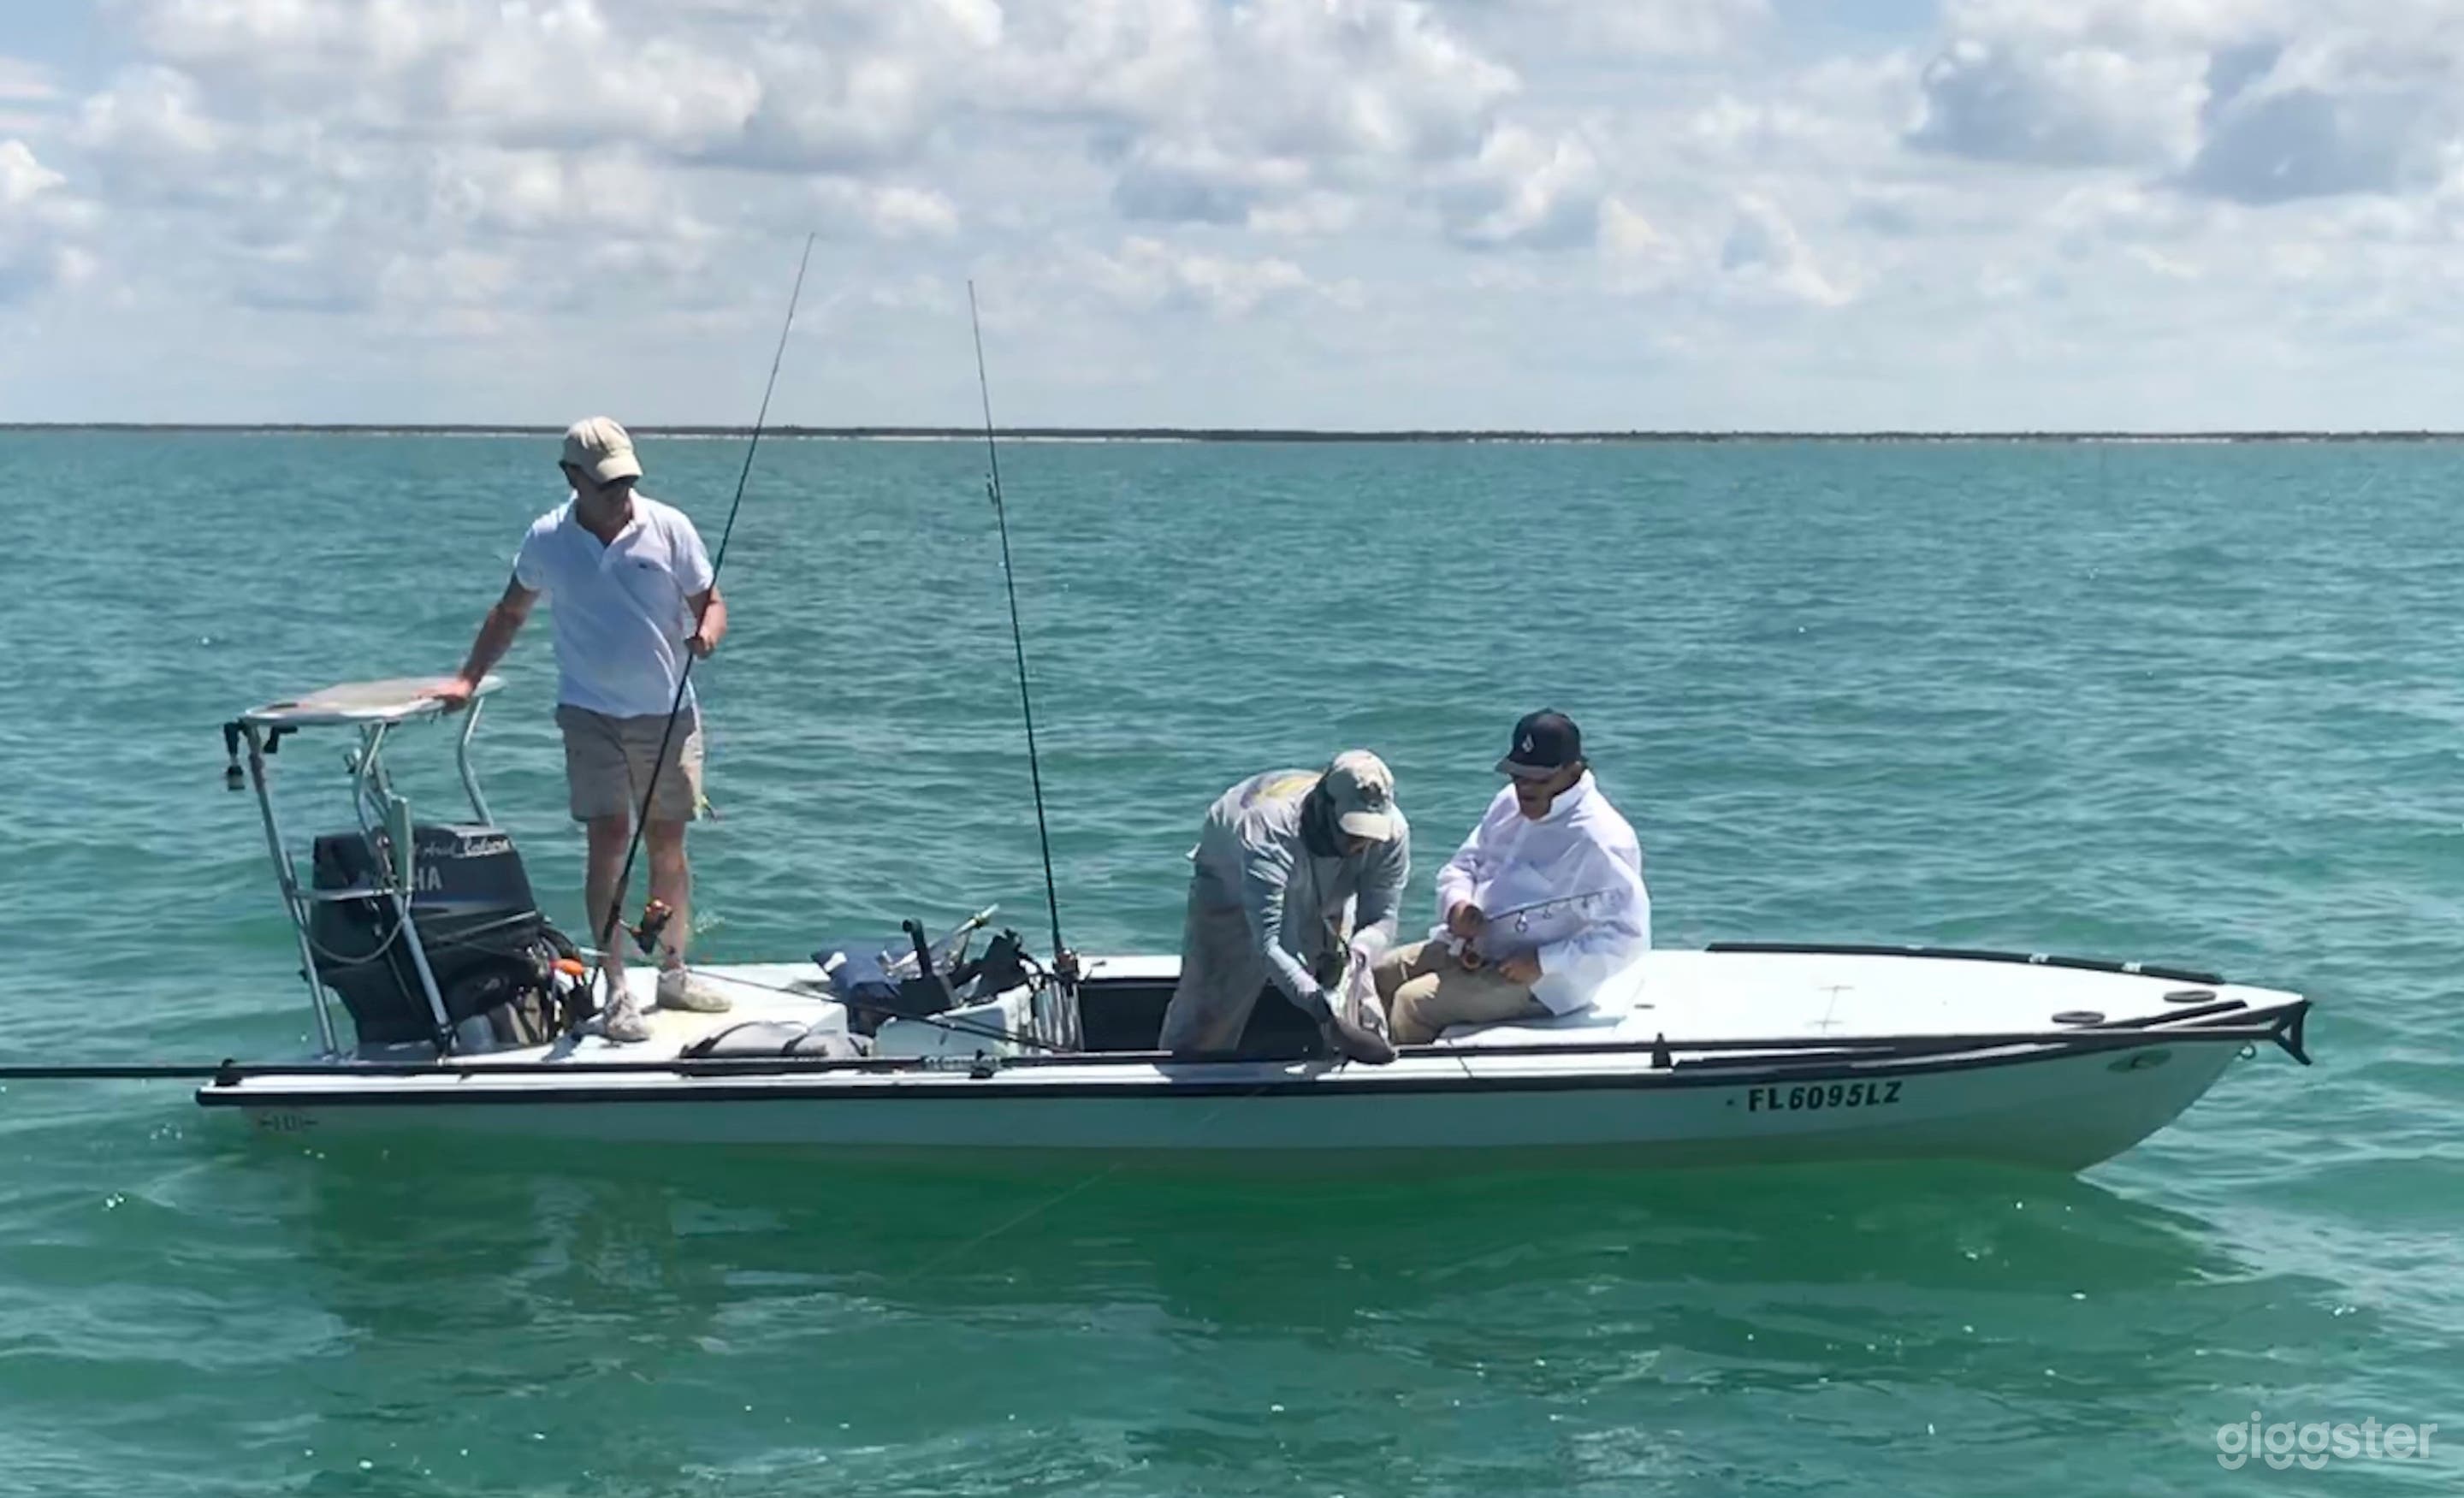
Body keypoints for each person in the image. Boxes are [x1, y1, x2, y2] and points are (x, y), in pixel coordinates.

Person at [433, 417, 730, 1043]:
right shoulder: (548, 538)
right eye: (606, 483)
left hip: (667, 713)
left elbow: (712, 602)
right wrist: (466, 678)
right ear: (573, 478)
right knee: (607, 843)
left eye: (627, 479)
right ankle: (617, 986)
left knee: (668, 843)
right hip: (588, 713)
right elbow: (510, 611)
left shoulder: (669, 526)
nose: (621, 492)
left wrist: (706, 634)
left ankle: (673, 968)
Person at [1371, 711, 1649, 1044]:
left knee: (1411, 1003)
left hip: (1542, 983)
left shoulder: (1601, 837)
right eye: (1518, 776)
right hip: (1472, 949)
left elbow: (1629, 936)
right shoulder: (1507, 803)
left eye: (1539, 779)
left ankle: (1408, 1089)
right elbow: (1464, 865)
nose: (1525, 788)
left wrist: (1543, 962)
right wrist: (1458, 905)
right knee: (1373, 977)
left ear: (1573, 771)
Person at [1158, 751, 1409, 1065]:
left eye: (1370, 831)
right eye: (1352, 829)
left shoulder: (1392, 833)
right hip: (1233, 882)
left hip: (1327, 889)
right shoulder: (1267, 830)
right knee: (1211, 1007)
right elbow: (1271, 944)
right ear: (1324, 806)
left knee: (1353, 996)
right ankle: (1185, 1082)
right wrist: (1321, 1008)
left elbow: (1382, 918)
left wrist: (1359, 955)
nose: (1362, 842)